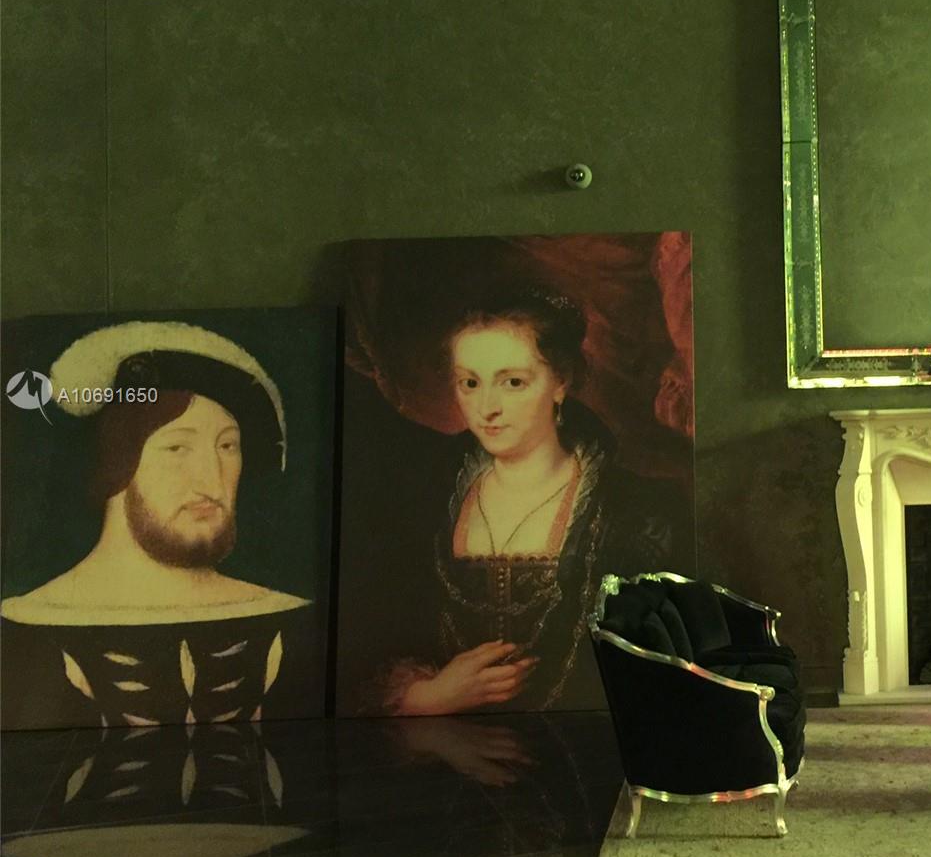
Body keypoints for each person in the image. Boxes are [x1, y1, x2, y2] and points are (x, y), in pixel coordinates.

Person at [374, 291, 685, 716]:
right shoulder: (425, 503)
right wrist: (429, 697)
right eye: (470, 383)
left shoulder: (637, 510)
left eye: (513, 383)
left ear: (561, 382)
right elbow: (374, 639)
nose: (487, 408)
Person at [1, 322, 309, 727]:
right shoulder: (23, 629)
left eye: (227, 446)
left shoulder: (291, 618)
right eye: (177, 447)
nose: (211, 480)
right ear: (118, 463)